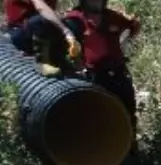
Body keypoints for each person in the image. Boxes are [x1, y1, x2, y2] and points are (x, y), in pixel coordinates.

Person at [62, 0, 140, 130]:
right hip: (94, 77)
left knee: (128, 116)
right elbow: (64, 47)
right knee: (99, 120)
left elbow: (133, 27)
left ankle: (130, 147)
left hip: (119, 74)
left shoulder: (113, 17)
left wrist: (123, 43)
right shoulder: (73, 19)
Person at [5, 0, 81, 75]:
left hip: (42, 32)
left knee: (74, 23)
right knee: (40, 20)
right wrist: (65, 30)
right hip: (20, 33)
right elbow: (41, 8)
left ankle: (61, 58)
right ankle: (42, 62)